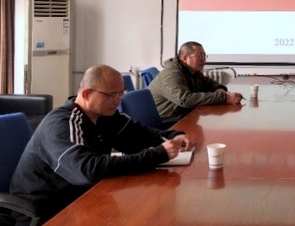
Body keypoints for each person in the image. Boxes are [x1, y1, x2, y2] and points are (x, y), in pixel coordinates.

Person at [9, 64, 193, 223]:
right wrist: (156, 155)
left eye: (120, 94)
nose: (118, 101)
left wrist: (171, 136)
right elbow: (87, 171)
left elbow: (137, 134)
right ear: (87, 93)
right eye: (111, 95)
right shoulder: (63, 123)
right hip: (46, 211)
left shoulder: (103, 115)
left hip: (82, 198)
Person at [149, 41, 243, 123]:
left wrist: (219, 90)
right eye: (200, 56)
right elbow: (186, 100)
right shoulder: (171, 74)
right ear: (185, 58)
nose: (204, 59)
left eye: (204, 56)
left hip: (184, 116)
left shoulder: (193, 71)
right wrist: (224, 98)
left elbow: (209, 84)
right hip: (167, 123)